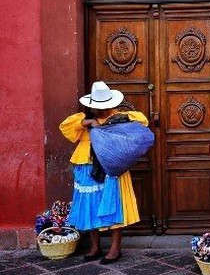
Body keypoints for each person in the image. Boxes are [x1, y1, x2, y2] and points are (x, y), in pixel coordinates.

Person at [59, 81, 148, 264]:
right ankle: (95, 246)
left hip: (112, 167)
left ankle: (115, 249)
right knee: (90, 206)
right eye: (98, 107)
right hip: (87, 167)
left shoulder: (120, 119)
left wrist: (117, 118)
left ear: (112, 104)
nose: (102, 111)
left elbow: (142, 121)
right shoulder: (86, 123)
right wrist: (87, 122)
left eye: (105, 107)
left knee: (114, 205)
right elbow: (65, 127)